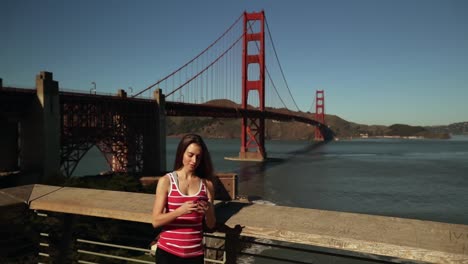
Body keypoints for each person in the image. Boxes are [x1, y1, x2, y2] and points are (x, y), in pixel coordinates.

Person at [152, 134, 216, 264]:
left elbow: (211, 224)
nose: (194, 161)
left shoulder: (207, 185)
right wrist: (180, 211)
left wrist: (208, 210)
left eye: (198, 157)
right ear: (181, 152)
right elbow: (155, 221)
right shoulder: (166, 181)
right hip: (167, 254)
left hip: (195, 255)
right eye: (190, 155)